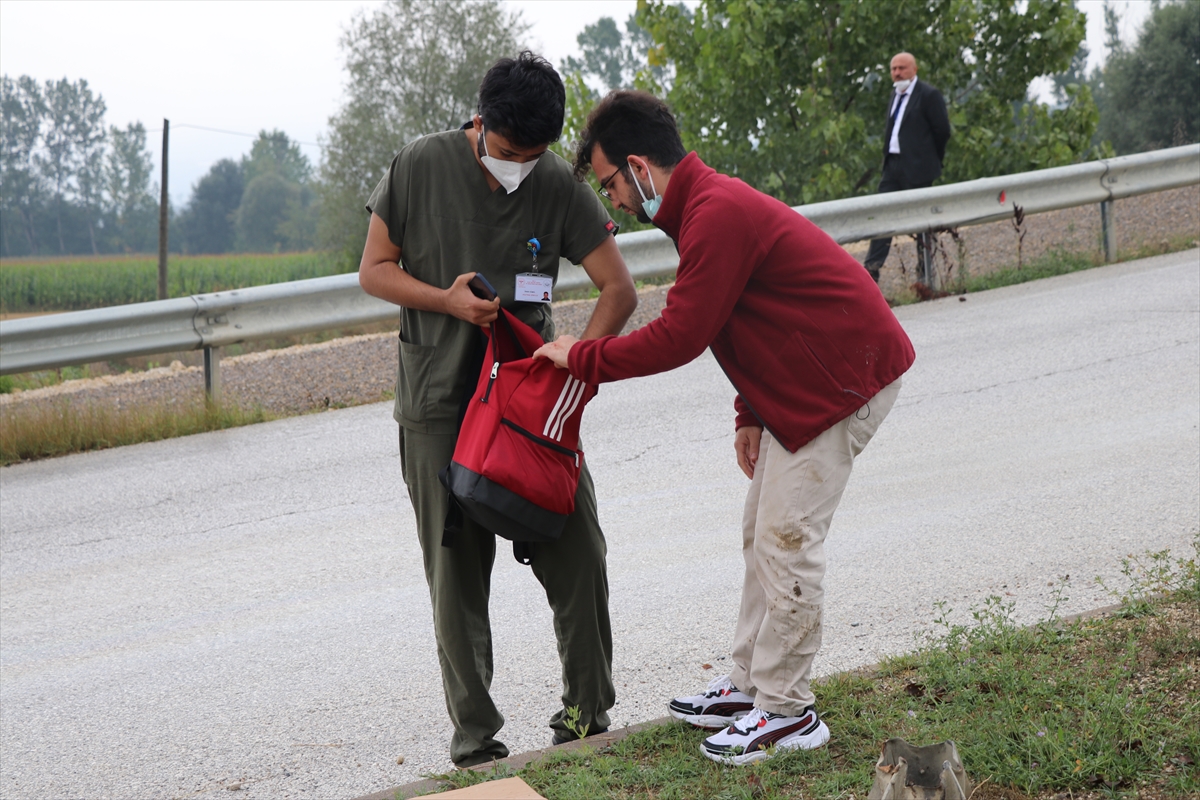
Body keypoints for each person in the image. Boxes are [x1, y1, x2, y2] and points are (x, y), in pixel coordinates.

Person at [534, 91, 915, 765]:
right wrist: (750, 412)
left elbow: (681, 336)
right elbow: (742, 315)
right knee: (760, 534)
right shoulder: (703, 210)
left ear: (638, 166)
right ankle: (749, 683)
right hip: (806, 385)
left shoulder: (715, 213)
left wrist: (583, 357)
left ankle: (788, 712)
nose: (615, 202)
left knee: (786, 540)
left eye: (611, 185)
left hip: (843, 380)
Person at [358, 52, 638, 768]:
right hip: (438, 407)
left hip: (527, 411)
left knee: (580, 553)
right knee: (457, 583)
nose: (521, 166)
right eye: (510, 152)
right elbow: (374, 271)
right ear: (480, 122)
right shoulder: (418, 165)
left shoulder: (556, 186)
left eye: (536, 155)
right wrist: (446, 300)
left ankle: (586, 718)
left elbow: (618, 289)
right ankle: (477, 743)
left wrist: (576, 363)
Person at [862, 52, 952, 282]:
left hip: (918, 168)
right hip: (893, 166)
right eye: (893, 69)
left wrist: (930, 160)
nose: (897, 73)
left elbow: (942, 131)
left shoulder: (928, 95)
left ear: (914, 69)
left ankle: (925, 274)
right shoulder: (895, 94)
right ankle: (871, 270)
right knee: (883, 215)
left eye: (902, 68)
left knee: (920, 221)